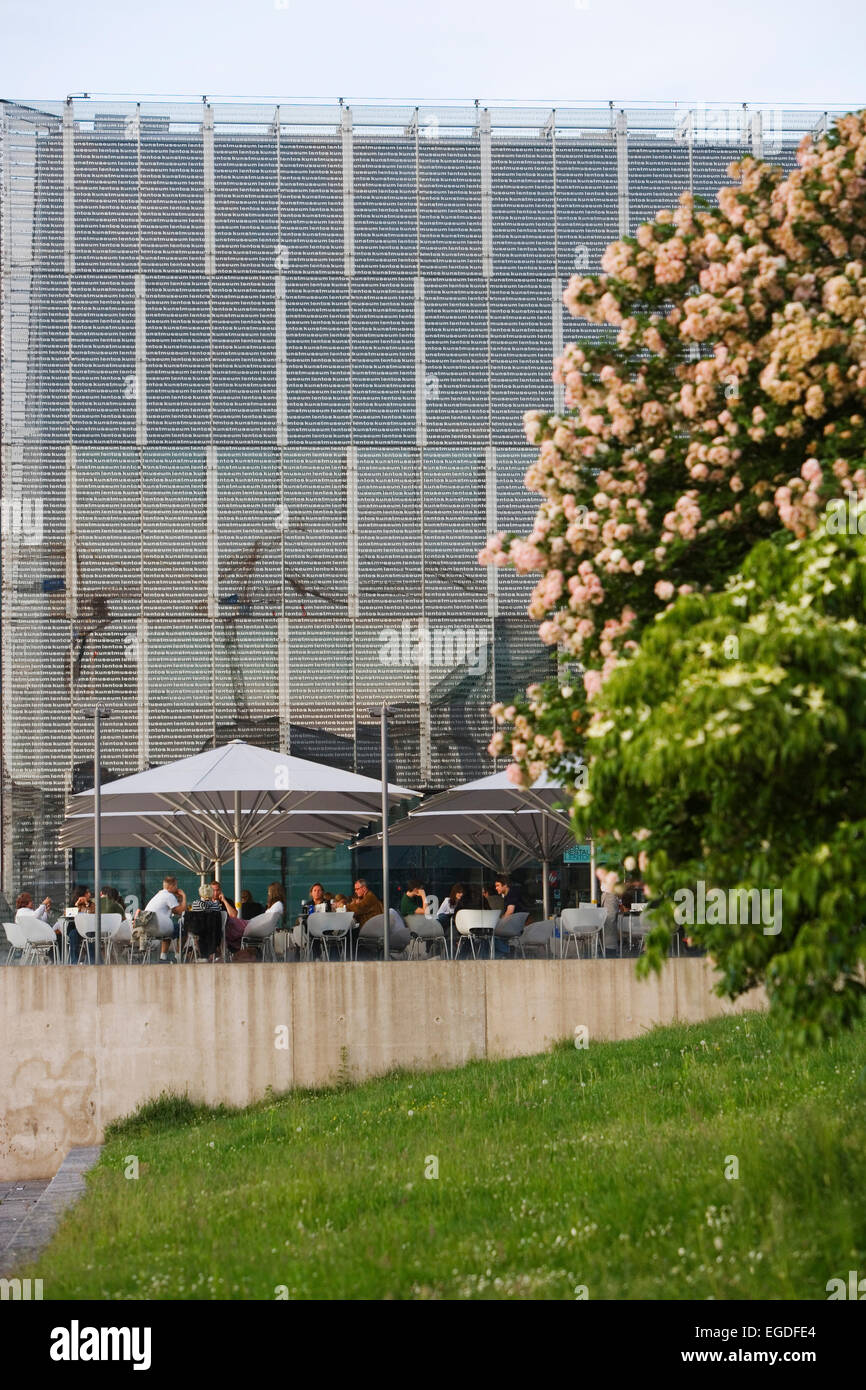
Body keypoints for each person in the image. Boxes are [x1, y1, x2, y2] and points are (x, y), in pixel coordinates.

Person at [219, 882, 285, 956]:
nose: (268, 893)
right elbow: (265, 919)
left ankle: (221, 952)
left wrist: (250, 922)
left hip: (251, 926)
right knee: (229, 924)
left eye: (269, 891)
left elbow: (265, 920)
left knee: (228, 924)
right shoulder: (274, 906)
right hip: (251, 925)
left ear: (273, 892)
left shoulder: (277, 905)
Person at [142, 875, 187, 962]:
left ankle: (163, 957)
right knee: (183, 928)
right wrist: (183, 896)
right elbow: (181, 912)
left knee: (169, 928)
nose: (177, 888)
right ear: (171, 886)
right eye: (176, 886)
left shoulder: (159, 894)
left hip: (148, 927)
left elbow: (173, 910)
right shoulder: (169, 896)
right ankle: (178, 956)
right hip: (158, 927)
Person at [185, 883, 225, 961]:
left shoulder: (195, 904)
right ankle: (212, 955)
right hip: (213, 933)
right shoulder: (216, 905)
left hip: (198, 931)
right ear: (211, 893)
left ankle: (200, 956)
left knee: (194, 934)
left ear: (200, 893)